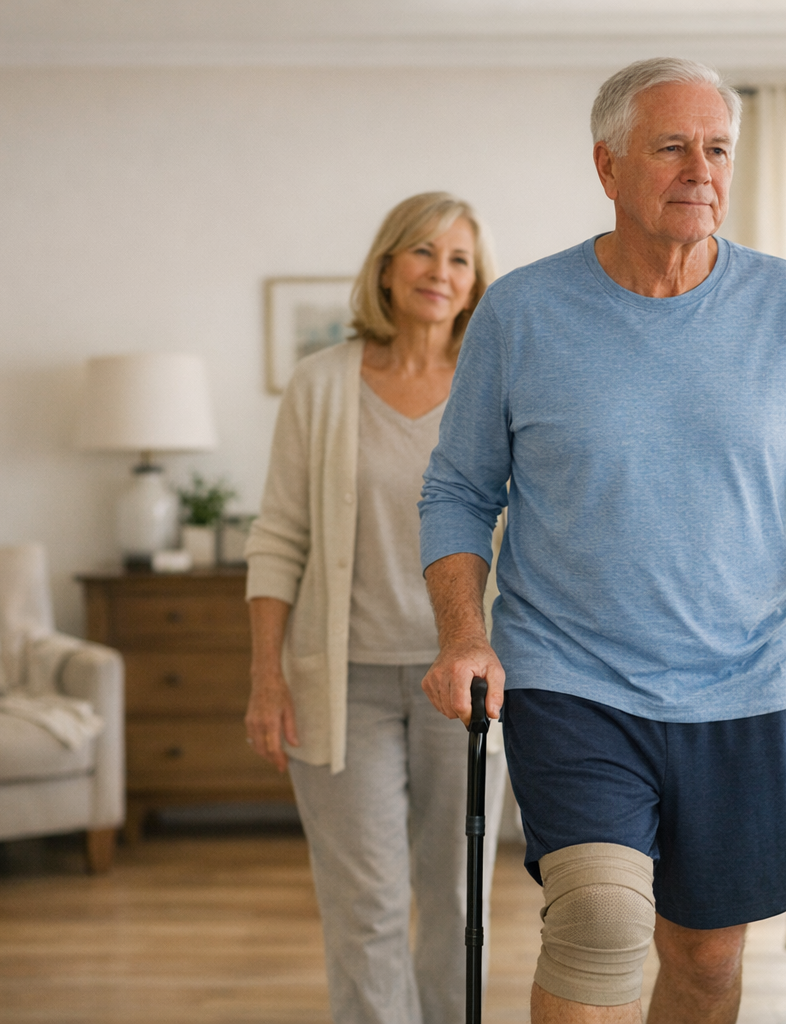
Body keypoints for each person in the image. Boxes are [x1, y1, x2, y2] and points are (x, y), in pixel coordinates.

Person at [417, 59, 786, 1024]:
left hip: (742, 685)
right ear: (608, 165)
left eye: (717, 149)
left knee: (708, 961)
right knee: (597, 921)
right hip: (570, 677)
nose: (700, 170)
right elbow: (460, 490)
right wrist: (464, 633)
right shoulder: (522, 312)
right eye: (671, 146)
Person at [244, 191, 506, 1024]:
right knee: (366, 906)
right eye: (422, 253)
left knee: (457, 901)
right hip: (344, 681)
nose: (440, 272)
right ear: (387, 268)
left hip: (464, 686)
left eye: (458, 258)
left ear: (475, 282)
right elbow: (279, 536)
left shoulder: (497, 382)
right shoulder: (323, 384)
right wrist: (265, 678)